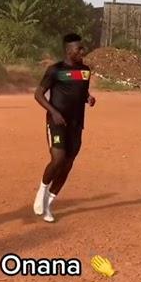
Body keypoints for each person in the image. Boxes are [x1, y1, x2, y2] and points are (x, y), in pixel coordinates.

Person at [32, 33, 96, 223]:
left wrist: (89, 98)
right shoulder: (55, 70)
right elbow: (38, 94)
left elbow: (82, 92)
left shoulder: (85, 71)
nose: (82, 51)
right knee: (58, 159)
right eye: (79, 49)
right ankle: (42, 190)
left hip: (76, 124)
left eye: (82, 48)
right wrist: (54, 112)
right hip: (57, 122)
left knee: (68, 164)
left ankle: (49, 204)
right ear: (69, 51)